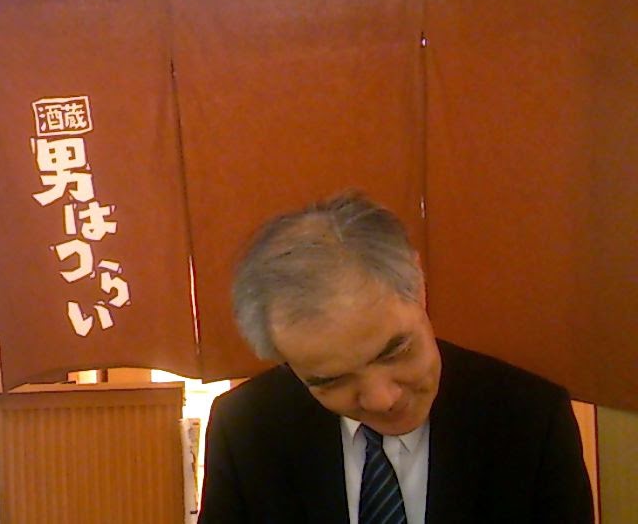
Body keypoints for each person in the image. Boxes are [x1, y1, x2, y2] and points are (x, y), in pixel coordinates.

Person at [198, 192, 594, 524]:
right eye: (331, 381)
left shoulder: (529, 419)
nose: (381, 399)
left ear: (418, 287)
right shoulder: (246, 429)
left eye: (396, 351)